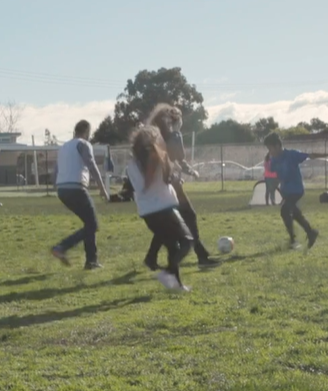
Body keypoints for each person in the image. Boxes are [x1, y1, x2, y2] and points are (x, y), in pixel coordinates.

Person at [144, 104, 220, 269]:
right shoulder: (175, 136)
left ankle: (151, 257)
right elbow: (178, 159)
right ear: (175, 121)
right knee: (189, 217)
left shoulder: (153, 138)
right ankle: (202, 257)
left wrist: (189, 171)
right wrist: (188, 171)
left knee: (168, 222)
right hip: (174, 184)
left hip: (159, 186)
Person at [126, 125, 195, 291]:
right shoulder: (154, 156)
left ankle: (177, 285)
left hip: (146, 211)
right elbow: (149, 183)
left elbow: (149, 183)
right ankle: (168, 272)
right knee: (187, 241)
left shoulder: (131, 164)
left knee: (172, 247)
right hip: (164, 207)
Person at [263, 132, 328, 250]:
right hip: (286, 192)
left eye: (270, 148)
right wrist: (274, 187)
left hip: (296, 190)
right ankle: (310, 232)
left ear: (278, 145)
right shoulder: (274, 160)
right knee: (294, 214)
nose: (270, 151)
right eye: (268, 149)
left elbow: (311, 155)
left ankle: (294, 240)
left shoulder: (292, 154)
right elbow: (277, 175)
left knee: (285, 211)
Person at [51, 120, 110, 270]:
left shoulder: (63, 147)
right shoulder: (83, 144)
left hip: (62, 190)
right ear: (86, 132)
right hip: (76, 188)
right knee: (93, 224)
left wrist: (56, 186)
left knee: (89, 224)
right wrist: (102, 188)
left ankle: (91, 261)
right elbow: (91, 165)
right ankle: (61, 247)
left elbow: (55, 170)